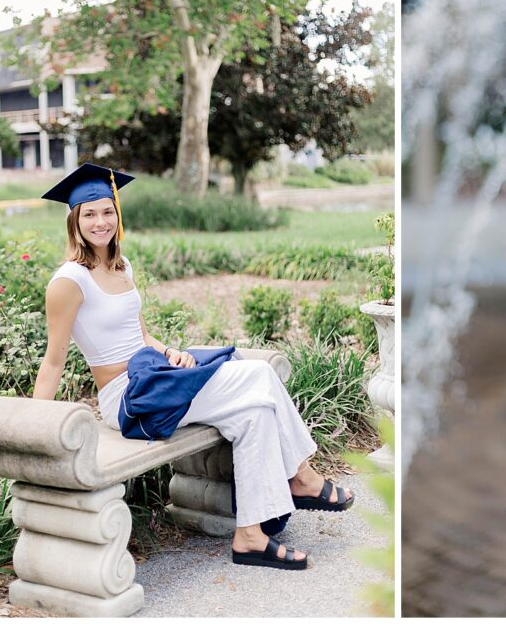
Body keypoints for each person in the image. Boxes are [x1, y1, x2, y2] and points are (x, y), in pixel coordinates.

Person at [34, 163, 354, 571]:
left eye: (107, 210)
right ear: (74, 221)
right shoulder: (69, 281)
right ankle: (303, 477)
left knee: (254, 413)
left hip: (157, 377)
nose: (101, 222)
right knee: (259, 374)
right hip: (128, 398)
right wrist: (36, 427)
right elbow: (54, 359)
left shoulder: (122, 266)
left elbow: (140, 336)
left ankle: (251, 537)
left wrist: (170, 353)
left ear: (118, 212)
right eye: (89, 214)